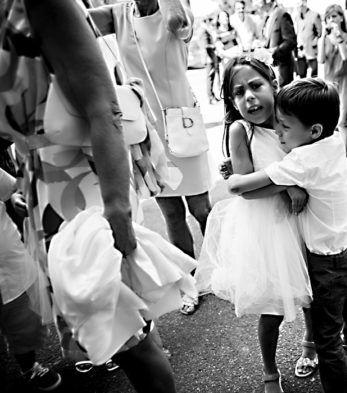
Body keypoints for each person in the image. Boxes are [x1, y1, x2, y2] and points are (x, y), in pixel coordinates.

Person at [0, 0, 177, 392]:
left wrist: (117, 211)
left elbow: (104, 107)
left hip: (80, 184)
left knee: (133, 336)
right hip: (41, 189)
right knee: (114, 334)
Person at [227, 78, 347, 393]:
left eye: (286, 128)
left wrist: (233, 176)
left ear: (313, 131)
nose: (279, 134)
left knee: (327, 338)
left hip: (325, 259)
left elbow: (241, 189)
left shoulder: (302, 161)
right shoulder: (332, 142)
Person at [194, 57, 313, 393]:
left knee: (312, 291)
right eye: (238, 92)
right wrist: (288, 183)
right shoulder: (239, 130)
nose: (249, 97)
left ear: (274, 84)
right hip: (268, 227)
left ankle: (310, 344)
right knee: (272, 305)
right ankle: (270, 370)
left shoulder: (292, 119)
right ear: (231, 102)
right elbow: (245, 189)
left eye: (256, 86)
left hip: (303, 218)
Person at [89, 0, 212, 315]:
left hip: (182, 123)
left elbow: (180, 23)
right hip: (146, 132)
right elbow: (76, 23)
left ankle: (222, 269)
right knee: (171, 212)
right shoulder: (118, 14)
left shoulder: (173, 10)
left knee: (201, 209)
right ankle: (191, 281)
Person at [0, 167, 62, 391]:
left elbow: (10, 189)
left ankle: (29, 367)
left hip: (10, 262)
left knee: (24, 322)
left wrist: (16, 198)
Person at [319, 4, 347, 157]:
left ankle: (345, 159)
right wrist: (323, 36)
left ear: (341, 17)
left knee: (343, 122)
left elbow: (346, 56)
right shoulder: (325, 39)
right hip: (329, 83)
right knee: (329, 123)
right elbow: (321, 59)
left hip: (345, 81)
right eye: (328, 18)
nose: (331, 20)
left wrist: (338, 36)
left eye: (334, 16)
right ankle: (331, 158)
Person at [261, 0, 297, 86]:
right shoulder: (267, 17)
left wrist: (273, 52)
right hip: (271, 67)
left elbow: (290, 41)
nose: (256, 4)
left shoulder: (282, 15)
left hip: (282, 68)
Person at [293, 0, 322, 78]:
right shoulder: (297, 17)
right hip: (300, 51)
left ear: (305, 3)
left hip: (311, 50)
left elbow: (320, 33)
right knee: (301, 75)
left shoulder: (315, 15)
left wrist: (314, 42)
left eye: (301, 4)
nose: (299, 6)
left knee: (314, 75)